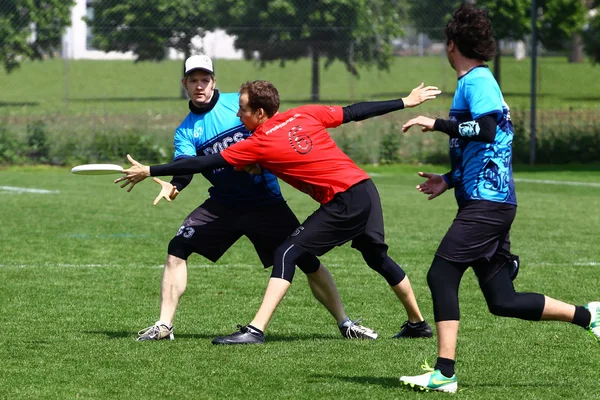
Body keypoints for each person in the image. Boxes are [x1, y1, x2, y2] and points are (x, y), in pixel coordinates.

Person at [116, 79, 442, 344]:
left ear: (259, 112)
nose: (238, 116)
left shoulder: (258, 144)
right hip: (365, 189)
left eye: (242, 110)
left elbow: (206, 161)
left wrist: (149, 170)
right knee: (376, 258)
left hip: (342, 199)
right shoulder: (302, 114)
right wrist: (404, 100)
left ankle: (256, 331)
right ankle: (417, 323)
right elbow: (354, 111)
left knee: (288, 252)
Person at [398, 4, 600, 393]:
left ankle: (444, 373)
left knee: (441, 273)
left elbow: (488, 130)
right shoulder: (475, 81)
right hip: (491, 201)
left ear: (451, 44)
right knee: (501, 300)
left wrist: (436, 123)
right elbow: (490, 148)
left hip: (488, 206)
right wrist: (451, 179)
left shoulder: (477, 81)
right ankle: (587, 315)